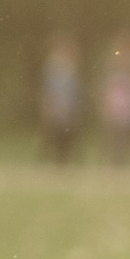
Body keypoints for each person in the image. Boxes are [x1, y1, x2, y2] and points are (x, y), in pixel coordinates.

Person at [99, 32, 130, 163]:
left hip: (129, 99)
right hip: (116, 98)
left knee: (128, 131)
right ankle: (113, 159)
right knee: (113, 130)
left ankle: (124, 158)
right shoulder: (112, 62)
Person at [39, 37, 84, 166]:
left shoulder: (72, 69)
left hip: (69, 106)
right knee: (53, 134)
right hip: (56, 105)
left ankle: (65, 160)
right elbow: (47, 89)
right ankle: (52, 160)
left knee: (68, 134)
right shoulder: (50, 69)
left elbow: (75, 90)